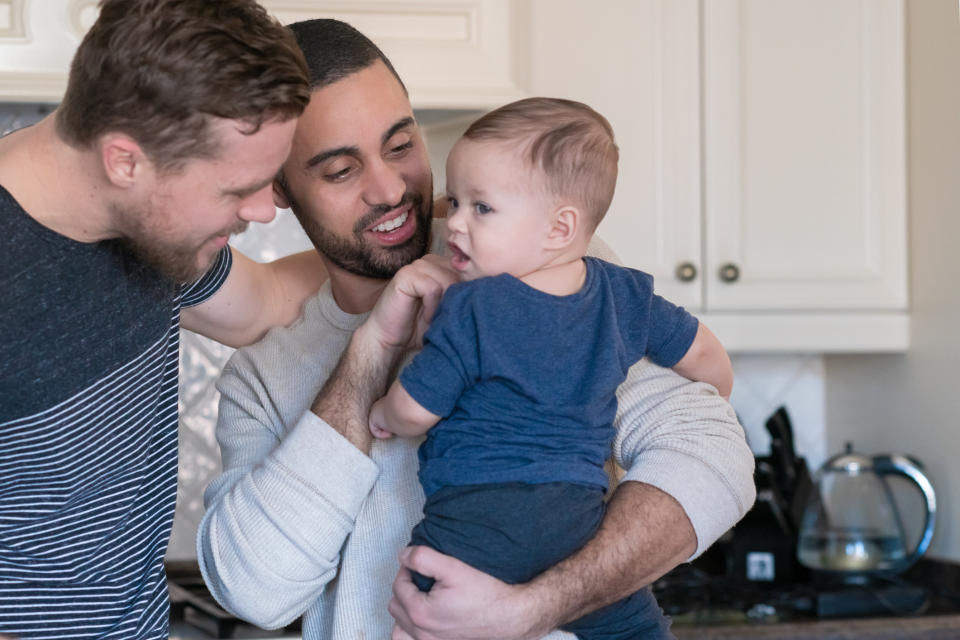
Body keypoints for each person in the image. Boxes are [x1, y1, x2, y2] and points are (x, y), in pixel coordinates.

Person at [198, 18, 755, 640]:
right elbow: (256, 591)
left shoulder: (544, 279)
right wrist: (371, 352)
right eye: (340, 171)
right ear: (280, 186)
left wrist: (534, 608)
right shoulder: (260, 378)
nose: (389, 188)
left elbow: (715, 456)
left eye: (401, 145)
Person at [0, 1, 326, 638]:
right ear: (126, 160)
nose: (265, 210)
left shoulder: (149, 230)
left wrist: (463, 225)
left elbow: (268, 305)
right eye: (237, 189)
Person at [366, 97, 733, 639]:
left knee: (422, 623)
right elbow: (705, 354)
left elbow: (416, 410)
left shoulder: (475, 307)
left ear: (560, 228)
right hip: (578, 527)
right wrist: (717, 394)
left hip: (476, 523)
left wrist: (381, 413)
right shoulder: (624, 294)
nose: (456, 223)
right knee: (633, 626)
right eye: (455, 200)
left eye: (481, 208)